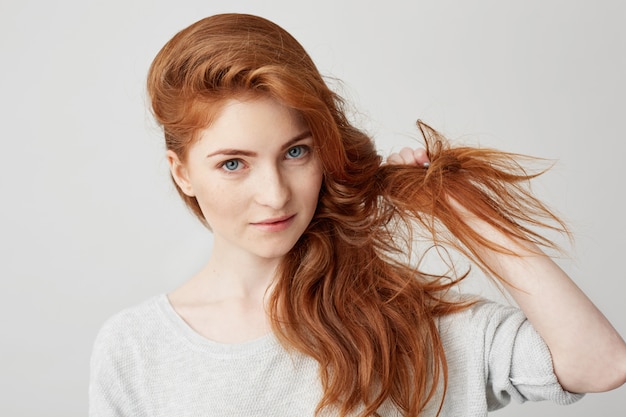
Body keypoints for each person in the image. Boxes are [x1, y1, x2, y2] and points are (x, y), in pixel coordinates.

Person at [88, 13, 626, 417]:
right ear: (181, 172)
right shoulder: (136, 348)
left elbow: (602, 365)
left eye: (296, 152)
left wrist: (461, 209)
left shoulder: (406, 321)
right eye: (234, 163)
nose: (275, 195)